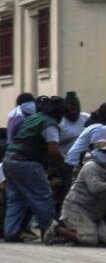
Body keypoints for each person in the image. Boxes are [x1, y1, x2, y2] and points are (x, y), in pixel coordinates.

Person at [1, 97, 65, 242]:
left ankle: (11, 232)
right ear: (60, 113)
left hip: (9, 160)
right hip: (27, 162)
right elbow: (53, 151)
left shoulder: (34, 118)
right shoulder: (50, 124)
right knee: (43, 196)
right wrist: (61, 163)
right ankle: (51, 232)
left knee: (16, 198)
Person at [44, 140, 106, 246]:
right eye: (103, 151)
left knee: (105, 240)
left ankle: (69, 237)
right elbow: (95, 188)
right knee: (89, 239)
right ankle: (56, 229)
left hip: (92, 213)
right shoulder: (90, 166)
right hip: (76, 208)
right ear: (95, 152)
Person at [64, 102, 106, 188]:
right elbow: (97, 151)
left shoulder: (95, 126)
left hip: (71, 162)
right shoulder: (99, 129)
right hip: (75, 164)